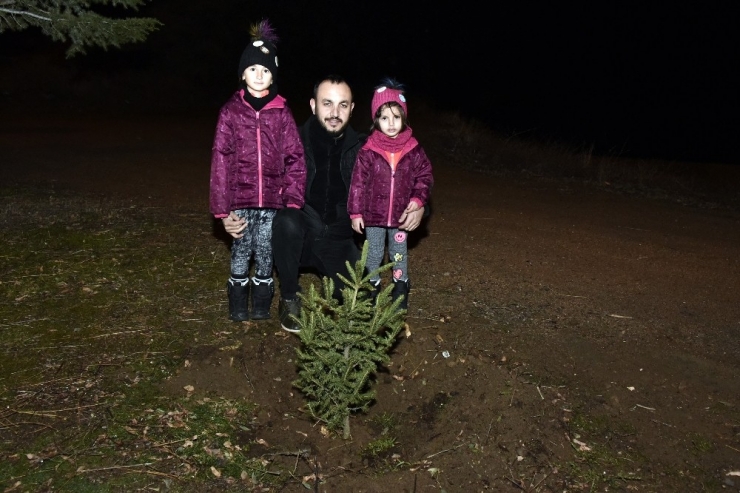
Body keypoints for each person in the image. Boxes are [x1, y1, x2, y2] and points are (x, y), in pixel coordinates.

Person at [223, 75, 425, 333]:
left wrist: (420, 207)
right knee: (286, 221)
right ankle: (288, 297)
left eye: (343, 105)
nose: (334, 112)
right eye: (327, 103)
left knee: (356, 305)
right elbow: (253, 175)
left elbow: (403, 180)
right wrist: (229, 210)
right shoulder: (290, 140)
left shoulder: (367, 148)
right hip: (300, 234)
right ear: (312, 105)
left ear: (352, 109)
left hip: (341, 241)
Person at [210, 20, 306, 322]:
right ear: (242, 73)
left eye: (265, 70)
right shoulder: (230, 111)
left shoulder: (282, 112)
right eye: (253, 69)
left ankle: (262, 305)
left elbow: (295, 157)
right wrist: (221, 210)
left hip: (273, 203)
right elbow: (220, 160)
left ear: (273, 75)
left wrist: (291, 200)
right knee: (241, 251)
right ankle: (238, 304)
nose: (259, 75)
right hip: (240, 200)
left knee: (266, 253)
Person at [347, 78, 433, 311]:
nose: (391, 123)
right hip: (373, 216)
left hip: (401, 216)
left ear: (404, 118)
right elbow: (357, 182)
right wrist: (355, 212)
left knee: (398, 253)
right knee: (373, 253)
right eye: (385, 118)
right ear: (376, 120)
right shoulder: (368, 150)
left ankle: (400, 284)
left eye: (396, 117)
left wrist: (417, 201)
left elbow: (425, 177)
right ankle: (372, 285)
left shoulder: (413, 149)